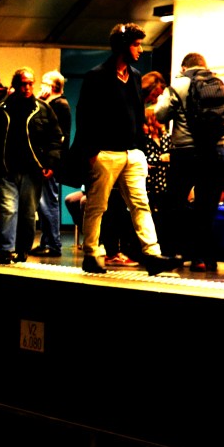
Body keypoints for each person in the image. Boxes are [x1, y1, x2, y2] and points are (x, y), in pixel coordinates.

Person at [74, 22, 180, 276]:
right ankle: (91, 254)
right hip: (104, 153)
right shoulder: (96, 76)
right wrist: (91, 152)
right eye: (136, 44)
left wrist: (140, 149)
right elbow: (85, 115)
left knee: (140, 203)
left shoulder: (133, 75)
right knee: (97, 206)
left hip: (132, 153)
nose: (140, 49)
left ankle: (152, 254)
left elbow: (137, 114)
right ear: (123, 46)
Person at [0, 67, 64, 265]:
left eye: (30, 83)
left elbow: (54, 138)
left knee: (27, 211)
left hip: (32, 170)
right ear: (15, 85)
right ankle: (6, 249)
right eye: (24, 83)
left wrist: (51, 162)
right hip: (5, 169)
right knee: (9, 208)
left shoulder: (42, 109)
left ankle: (23, 249)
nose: (27, 87)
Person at [154, 52, 224, 272]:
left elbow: (160, 114)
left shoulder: (179, 84)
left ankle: (174, 252)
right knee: (207, 207)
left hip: (185, 151)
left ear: (184, 67)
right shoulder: (219, 85)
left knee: (175, 203)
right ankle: (205, 258)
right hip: (215, 151)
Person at [33, 70, 72, 257]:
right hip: (48, 161)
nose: (40, 86)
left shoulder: (59, 105)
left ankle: (53, 243)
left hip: (50, 162)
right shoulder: (53, 104)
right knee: (44, 202)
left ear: (52, 86)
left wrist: (51, 163)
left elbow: (57, 137)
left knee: (48, 201)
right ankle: (46, 240)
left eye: (43, 82)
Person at [141, 72, 174, 255]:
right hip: (149, 185)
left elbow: (171, 157)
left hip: (163, 184)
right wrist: (160, 159)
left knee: (162, 217)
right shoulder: (145, 138)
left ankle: (162, 247)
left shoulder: (166, 138)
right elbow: (147, 158)